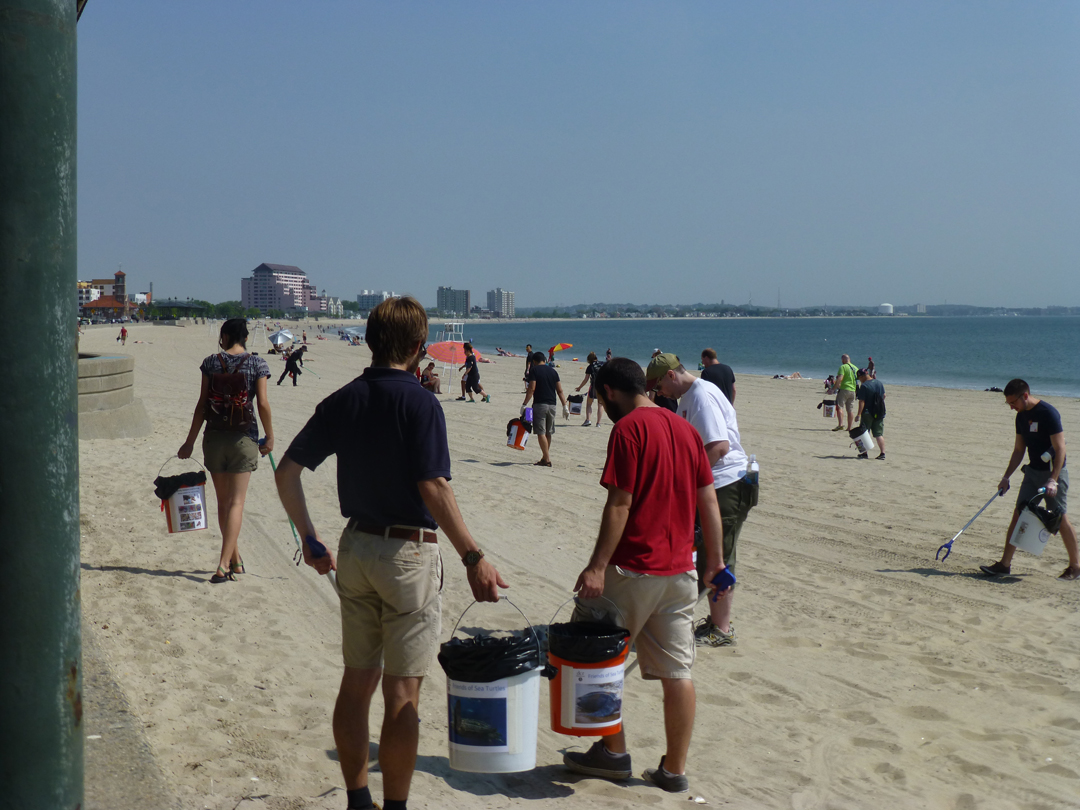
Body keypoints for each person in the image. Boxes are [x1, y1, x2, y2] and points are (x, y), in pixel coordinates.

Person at [274, 296, 508, 810]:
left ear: (373, 340)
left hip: (355, 546)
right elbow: (434, 488)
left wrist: (309, 538)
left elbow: (286, 472)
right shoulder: (421, 403)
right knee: (402, 694)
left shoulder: (344, 399)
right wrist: (474, 557)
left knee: (357, 681)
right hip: (407, 555)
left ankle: (359, 800)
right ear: (420, 347)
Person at [564, 357, 729, 793]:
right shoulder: (684, 429)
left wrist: (597, 564)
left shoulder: (628, 429)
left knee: (597, 656)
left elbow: (620, 503)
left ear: (610, 392)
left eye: (604, 398)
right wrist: (715, 561)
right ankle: (674, 770)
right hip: (681, 571)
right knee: (678, 673)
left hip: (633, 567)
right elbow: (708, 501)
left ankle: (613, 753)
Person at [646, 353, 751, 648]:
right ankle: (716, 621)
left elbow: (718, 447)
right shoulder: (691, 396)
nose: (658, 393)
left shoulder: (701, 394)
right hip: (716, 485)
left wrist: (686, 485)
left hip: (726, 483)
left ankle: (723, 629)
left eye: (658, 386)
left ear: (671, 375)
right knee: (704, 550)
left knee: (719, 556)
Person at [178, 318, 274, 583]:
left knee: (223, 503)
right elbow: (263, 404)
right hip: (244, 439)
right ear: (244, 337)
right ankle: (223, 564)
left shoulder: (210, 363)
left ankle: (235, 560)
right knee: (237, 503)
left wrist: (189, 442)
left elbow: (201, 405)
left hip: (215, 438)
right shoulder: (258, 364)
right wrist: (270, 436)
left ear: (226, 335)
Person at [980, 379, 1080, 581]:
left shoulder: (1048, 413)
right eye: (1008, 403)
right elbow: (1019, 450)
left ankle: (1076, 567)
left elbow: (1060, 449)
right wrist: (1006, 477)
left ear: (1025, 395)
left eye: (1013, 402)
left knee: (1059, 518)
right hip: (1032, 473)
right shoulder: (1020, 417)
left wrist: (1053, 480)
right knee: (1019, 515)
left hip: (1053, 473)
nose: (1011, 407)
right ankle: (1004, 565)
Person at [521, 351, 569, 467]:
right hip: (552, 405)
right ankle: (544, 457)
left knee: (540, 432)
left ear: (535, 362)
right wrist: (564, 406)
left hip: (540, 404)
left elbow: (531, 388)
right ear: (545, 360)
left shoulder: (534, 370)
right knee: (548, 432)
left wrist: (524, 404)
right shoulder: (553, 371)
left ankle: (546, 459)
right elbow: (560, 390)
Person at [854, 368, 886, 460]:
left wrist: (858, 414)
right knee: (878, 434)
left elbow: (862, 402)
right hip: (879, 412)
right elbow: (884, 395)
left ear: (862, 376)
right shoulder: (879, 383)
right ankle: (882, 453)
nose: (859, 380)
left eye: (859, 378)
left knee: (864, 433)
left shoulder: (864, 386)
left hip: (867, 412)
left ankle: (864, 453)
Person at [574, 352, 605, 427]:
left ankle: (588, 420)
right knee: (600, 405)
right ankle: (598, 423)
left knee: (589, 404)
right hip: (601, 386)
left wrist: (579, 387)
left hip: (593, 386)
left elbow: (586, 379)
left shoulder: (590, 367)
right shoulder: (602, 364)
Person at [832, 354, 859, 432]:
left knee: (839, 407)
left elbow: (840, 378)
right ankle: (849, 427)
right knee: (850, 410)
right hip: (853, 390)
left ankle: (840, 425)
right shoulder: (855, 368)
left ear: (843, 360)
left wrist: (833, 389)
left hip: (844, 389)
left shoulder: (843, 367)